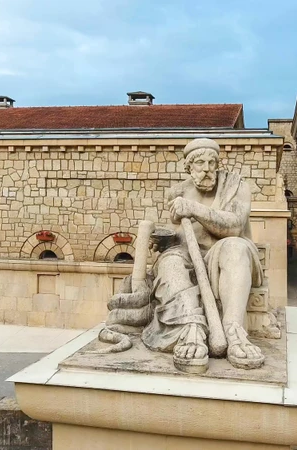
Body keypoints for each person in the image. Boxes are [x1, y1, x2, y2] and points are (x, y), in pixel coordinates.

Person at [102, 138, 265, 373]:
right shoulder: (178, 192)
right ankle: (191, 328)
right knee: (170, 262)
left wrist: (193, 208)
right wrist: (165, 240)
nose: (207, 169)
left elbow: (234, 226)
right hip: (188, 254)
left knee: (235, 247)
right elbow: (182, 235)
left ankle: (234, 331)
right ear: (189, 167)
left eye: (211, 163)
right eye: (200, 163)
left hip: (223, 252)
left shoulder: (235, 185)